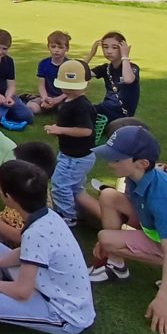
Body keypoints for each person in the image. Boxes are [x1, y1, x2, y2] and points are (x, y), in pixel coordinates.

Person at [0, 160, 95, 334]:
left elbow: (22, 292)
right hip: (46, 284)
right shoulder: (48, 215)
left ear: (9, 198)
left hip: (64, 313)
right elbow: (27, 251)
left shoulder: (36, 232)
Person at [90, 127, 167, 334]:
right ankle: (116, 265)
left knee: (106, 239)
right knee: (108, 196)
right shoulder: (136, 177)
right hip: (152, 224)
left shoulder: (162, 197)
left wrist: (164, 298)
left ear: (142, 163)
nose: (109, 163)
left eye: (116, 159)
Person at [43, 60, 98, 227]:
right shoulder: (68, 100)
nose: (67, 89)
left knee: (59, 186)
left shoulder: (81, 106)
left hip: (76, 157)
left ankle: (68, 217)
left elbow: (86, 131)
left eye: (72, 86)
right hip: (70, 154)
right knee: (74, 187)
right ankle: (84, 213)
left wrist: (60, 130)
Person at [86, 31, 140, 124]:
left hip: (122, 115)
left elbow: (128, 79)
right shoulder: (105, 68)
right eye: (105, 47)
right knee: (78, 110)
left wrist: (125, 56)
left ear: (122, 49)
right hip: (105, 109)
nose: (109, 51)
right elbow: (78, 74)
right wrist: (91, 53)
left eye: (114, 47)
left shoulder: (131, 68)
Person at [26, 30, 70, 115]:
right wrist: (44, 98)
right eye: (53, 47)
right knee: (32, 107)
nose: (56, 50)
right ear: (48, 47)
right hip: (47, 96)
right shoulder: (43, 64)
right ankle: (43, 104)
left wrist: (57, 99)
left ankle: (55, 108)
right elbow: (41, 85)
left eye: (60, 47)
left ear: (67, 49)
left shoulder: (70, 65)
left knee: (66, 110)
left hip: (64, 97)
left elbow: (72, 89)